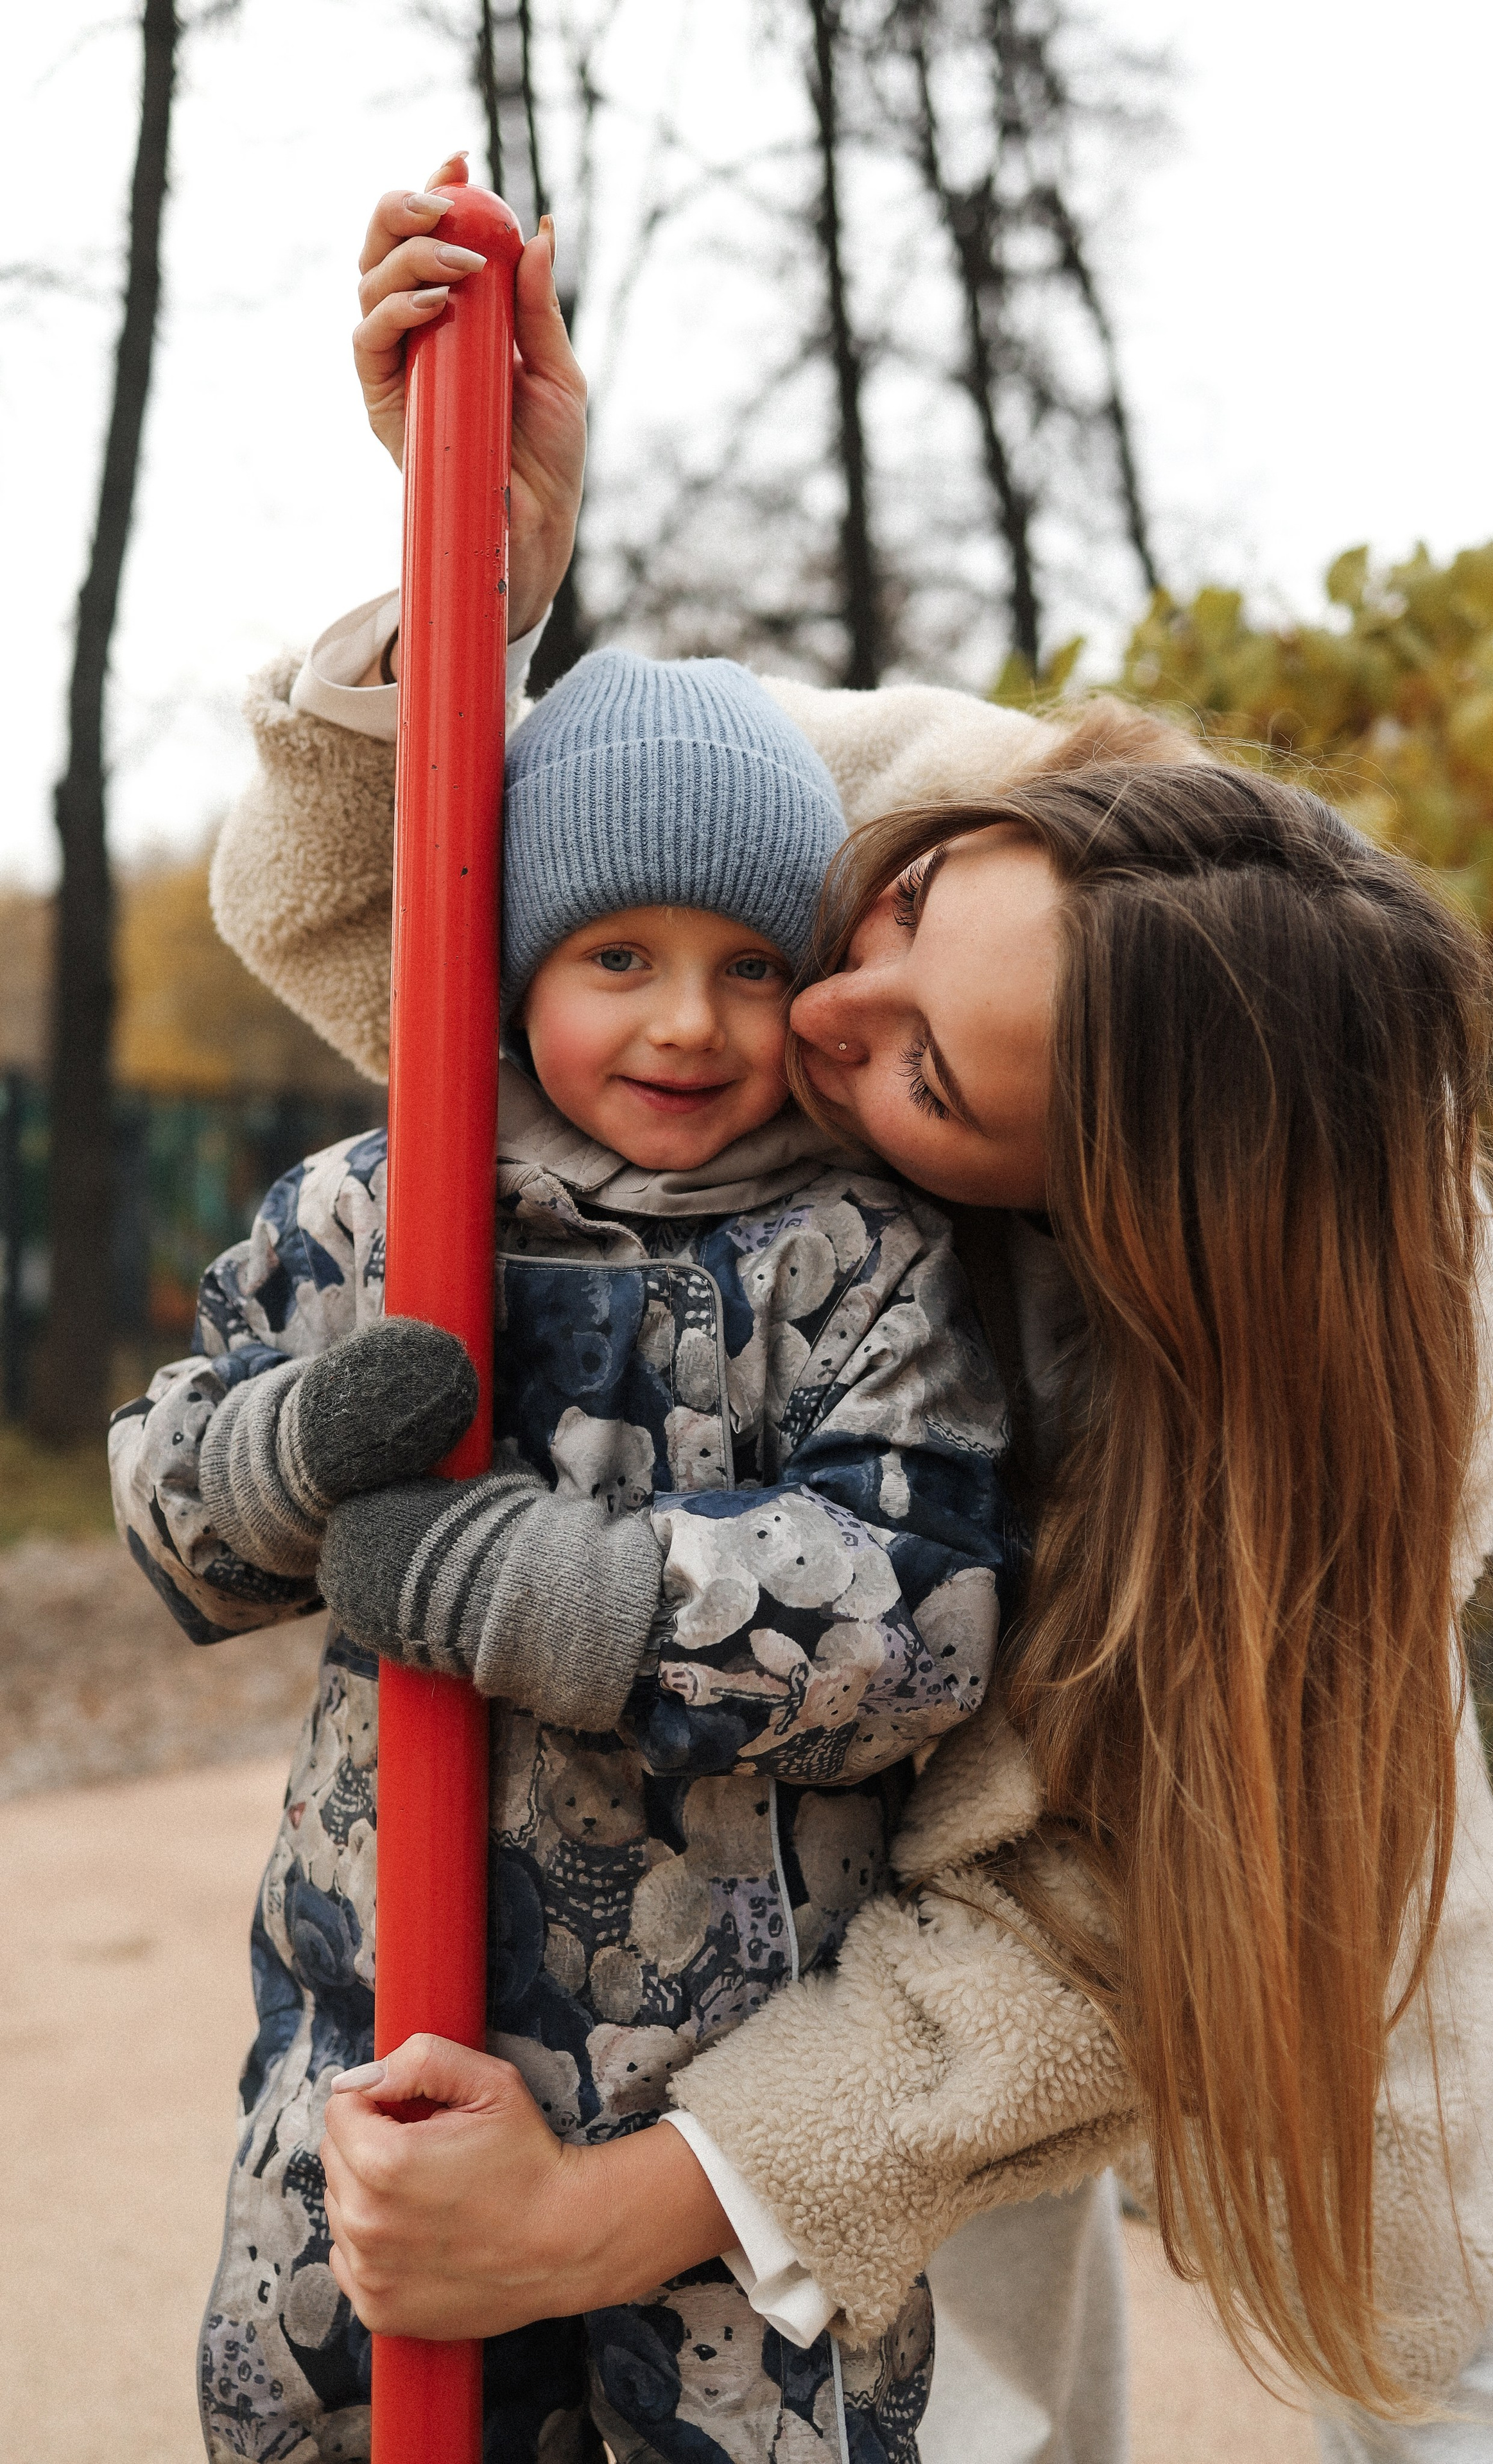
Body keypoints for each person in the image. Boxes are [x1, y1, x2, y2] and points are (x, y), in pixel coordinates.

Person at [198, 160, 1493, 2462]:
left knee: (1467, 2333)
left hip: (1225, 1803)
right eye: (889, 929)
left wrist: (590, 2222)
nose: (814, 1012)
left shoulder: (1323, 1410)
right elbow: (422, 960)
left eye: (925, 1074)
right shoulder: (934, 824)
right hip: (841, 1821)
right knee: (933, 2347)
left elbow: (1076, 1950)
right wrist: (481, 595)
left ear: (1107, 1205)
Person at [112, 647, 1018, 2462]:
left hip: (727, 2050)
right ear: (518, 960)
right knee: (328, 2410)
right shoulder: (370, 1212)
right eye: (622, 959)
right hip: (383, 2014)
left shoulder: (859, 1260)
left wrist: (571, 1596)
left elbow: (920, 1614)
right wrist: (281, 1459)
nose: (689, 1022)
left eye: (749, 967)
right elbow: (175, 1516)